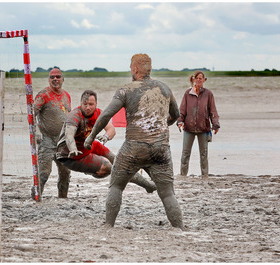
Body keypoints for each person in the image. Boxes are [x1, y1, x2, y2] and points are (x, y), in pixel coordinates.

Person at [84, 53, 184, 230]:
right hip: (160, 148)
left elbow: (106, 114)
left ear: (135, 69)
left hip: (134, 148)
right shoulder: (165, 89)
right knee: (168, 193)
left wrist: (91, 137)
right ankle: (179, 227)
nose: (130, 70)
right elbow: (175, 115)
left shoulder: (126, 90)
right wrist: (163, 124)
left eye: (131, 67)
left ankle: (109, 225)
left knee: (116, 185)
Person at [55, 90, 156, 196]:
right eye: (85, 104)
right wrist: (73, 148)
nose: (88, 107)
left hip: (88, 145)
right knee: (109, 167)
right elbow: (69, 135)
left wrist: (105, 136)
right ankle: (148, 185)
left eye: (91, 104)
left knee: (119, 162)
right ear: (81, 103)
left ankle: (149, 184)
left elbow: (111, 129)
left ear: (96, 104)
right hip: (70, 155)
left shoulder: (99, 113)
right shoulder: (75, 116)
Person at [32, 68, 72, 199]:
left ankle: (63, 199)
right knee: (44, 173)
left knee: (65, 172)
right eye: (52, 77)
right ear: (49, 80)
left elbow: (69, 116)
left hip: (62, 141)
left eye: (58, 77)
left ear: (62, 79)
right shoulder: (43, 95)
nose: (55, 79)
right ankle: (36, 199)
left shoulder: (66, 95)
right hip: (46, 140)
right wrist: (36, 131)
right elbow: (31, 113)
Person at [177, 71, 220, 179]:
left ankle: (205, 175)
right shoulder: (187, 93)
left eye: (201, 78)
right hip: (188, 128)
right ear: (194, 79)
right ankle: (183, 175)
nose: (199, 80)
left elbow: (213, 111)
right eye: (197, 78)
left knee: (204, 154)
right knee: (185, 153)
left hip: (204, 129)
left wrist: (215, 124)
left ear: (204, 80)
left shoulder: (208, 94)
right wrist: (179, 121)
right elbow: (182, 110)